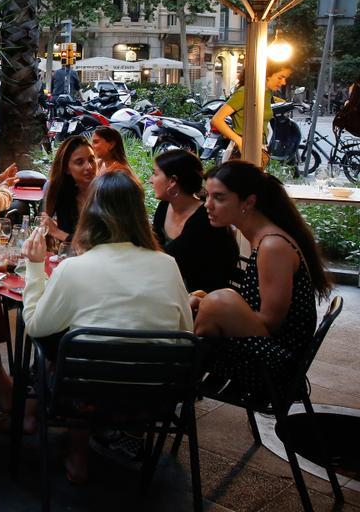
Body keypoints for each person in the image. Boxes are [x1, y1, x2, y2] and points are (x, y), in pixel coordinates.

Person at [21, 171, 193, 484]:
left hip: (85, 394)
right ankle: (122, 440)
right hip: (152, 398)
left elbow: (35, 325)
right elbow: (186, 335)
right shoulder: (167, 264)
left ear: (91, 213)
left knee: (55, 347)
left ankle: (75, 452)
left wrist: (35, 267)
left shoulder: (73, 269)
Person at [193, 161, 332, 401]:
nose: (208, 205)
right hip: (262, 354)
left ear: (249, 202)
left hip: (272, 369)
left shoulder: (273, 245)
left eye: (219, 197)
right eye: (207, 196)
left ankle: (174, 383)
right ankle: (178, 377)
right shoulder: (263, 238)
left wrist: (216, 307)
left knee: (212, 306)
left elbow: (270, 323)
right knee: (206, 303)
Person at [149, 150, 239, 293]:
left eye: (155, 173)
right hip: (170, 286)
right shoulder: (165, 206)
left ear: (172, 181)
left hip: (200, 297)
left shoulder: (204, 219)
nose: (150, 180)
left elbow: (168, 259)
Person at [210, 64, 292, 160]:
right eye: (280, 77)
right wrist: (239, 141)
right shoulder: (245, 92)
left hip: (258, 150)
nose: (283, 82)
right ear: (267, 75)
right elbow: (216, 120)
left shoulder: (267, 93)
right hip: (242, 153)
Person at [42, 136, 97, 244]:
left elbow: (98, 245)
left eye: (91, 160)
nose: (89, 167)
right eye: (80, 162)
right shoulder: (65, 195)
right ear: (67, 169)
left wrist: (57, 232)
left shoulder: (106, 195)